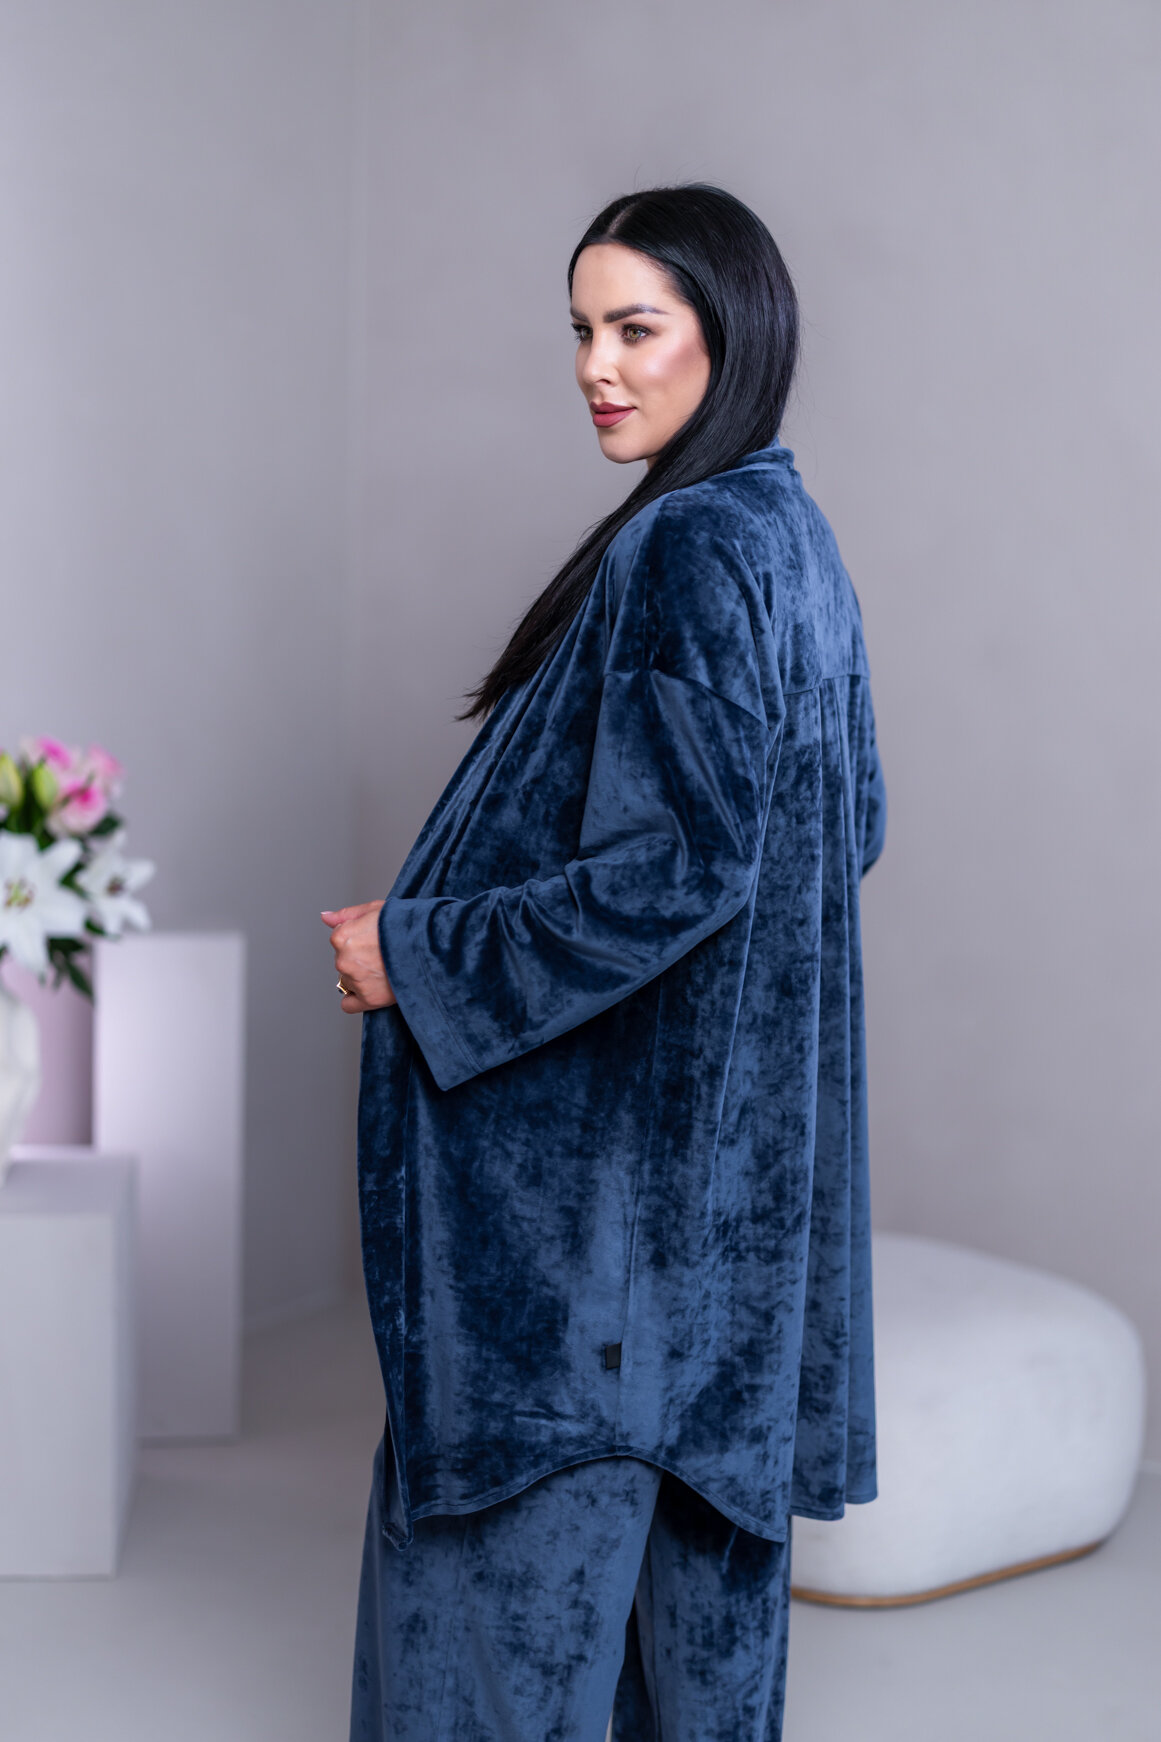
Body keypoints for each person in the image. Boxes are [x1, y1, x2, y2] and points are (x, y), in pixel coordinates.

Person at [323, 183, 886, 1742]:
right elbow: (842, 829)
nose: (594, 366)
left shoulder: (689, 546)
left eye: (634, 328)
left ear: (733, 330)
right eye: (579, 330)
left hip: (592, 1257)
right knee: (686, 1674)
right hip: (722, 1252)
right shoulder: (790, 537)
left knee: (499, 1654)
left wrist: (419, 951)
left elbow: (680, 868)